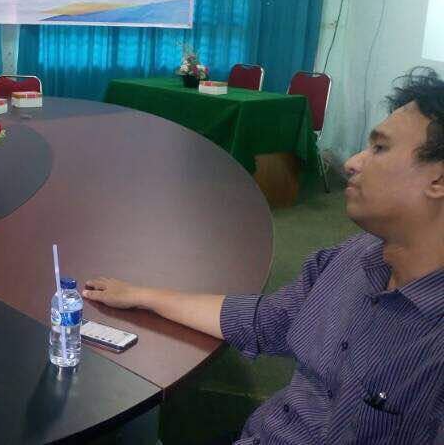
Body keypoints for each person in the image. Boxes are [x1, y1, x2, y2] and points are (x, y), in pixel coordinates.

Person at [85, 68, 444, 444]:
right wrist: (142, 295)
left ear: (438, 180)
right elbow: (265, 320)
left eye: (380, 148)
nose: (353, 162)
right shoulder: (352, 257)